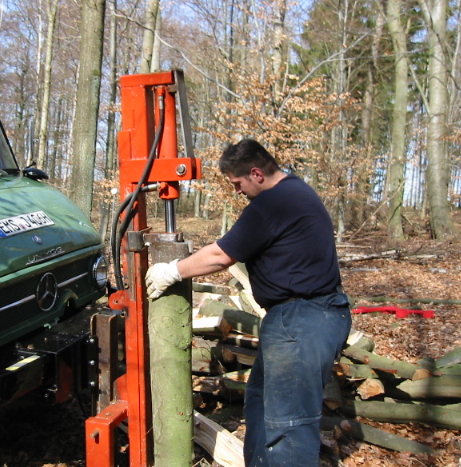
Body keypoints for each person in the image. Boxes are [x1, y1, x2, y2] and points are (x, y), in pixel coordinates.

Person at [145, 138, 351, 467]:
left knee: (288, 426)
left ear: (256, 173)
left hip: (303, 319)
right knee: (260, 403)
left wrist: (172, 271)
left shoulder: (275, 202)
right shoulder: (296, 192)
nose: (238, 191)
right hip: (298, 317)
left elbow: (220, 255)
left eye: (238, 183)